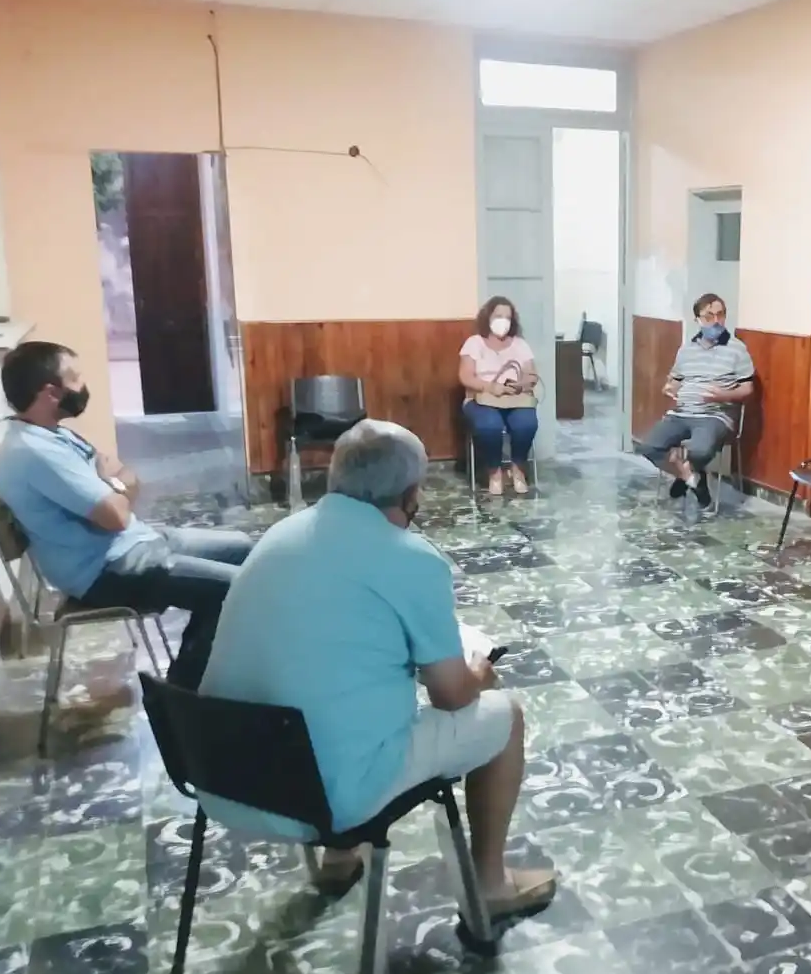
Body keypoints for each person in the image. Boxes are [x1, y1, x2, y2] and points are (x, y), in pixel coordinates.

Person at [198, 420, 558, 916]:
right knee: (506, 716)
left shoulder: (281, 534)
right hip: (328, 794)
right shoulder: (411, 559)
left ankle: (339, 859)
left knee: (335, 685)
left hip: (224, 772)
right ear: (413, 494)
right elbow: (451, 695)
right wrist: (479, 674)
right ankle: (492, 886)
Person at [0, 341, 253, 693]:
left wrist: (115, 484)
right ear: (51, 392)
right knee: (236, 588)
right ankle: (186, 692)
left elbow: (121, 483)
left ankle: (207, 667)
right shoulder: (36, 453)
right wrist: (118, 483)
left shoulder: (49, 434)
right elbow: (116, 509)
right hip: (110, 570)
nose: (83, 385)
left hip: (136, 542)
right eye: (75, 377)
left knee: (246, 549)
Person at [635, 293, 755, 508]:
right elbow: (675, 379)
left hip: (715, 414)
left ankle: (686, 477)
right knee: (649, 447)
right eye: (709, 316)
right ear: (697, 320)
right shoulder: (686, 349)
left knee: (700, 451)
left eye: (720, 315)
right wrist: (669, 387)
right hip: (681, 412)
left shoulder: (737, 349)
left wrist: (724, 395)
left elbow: (747, 388)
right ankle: (691, 476)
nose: (716, 321)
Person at [459, 297, 539, 496]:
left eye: (508, 317)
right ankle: (495, 472)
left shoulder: (520, 344)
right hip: (481, 399)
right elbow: (465, 376)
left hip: (514, 398)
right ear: (488, 317)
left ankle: (518, 470)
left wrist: (520, 384)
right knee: (489, 426)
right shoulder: (474, 343)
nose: (503, 321)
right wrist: (490, 387)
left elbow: (531, 375)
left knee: (526, 423)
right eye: (498, 316)